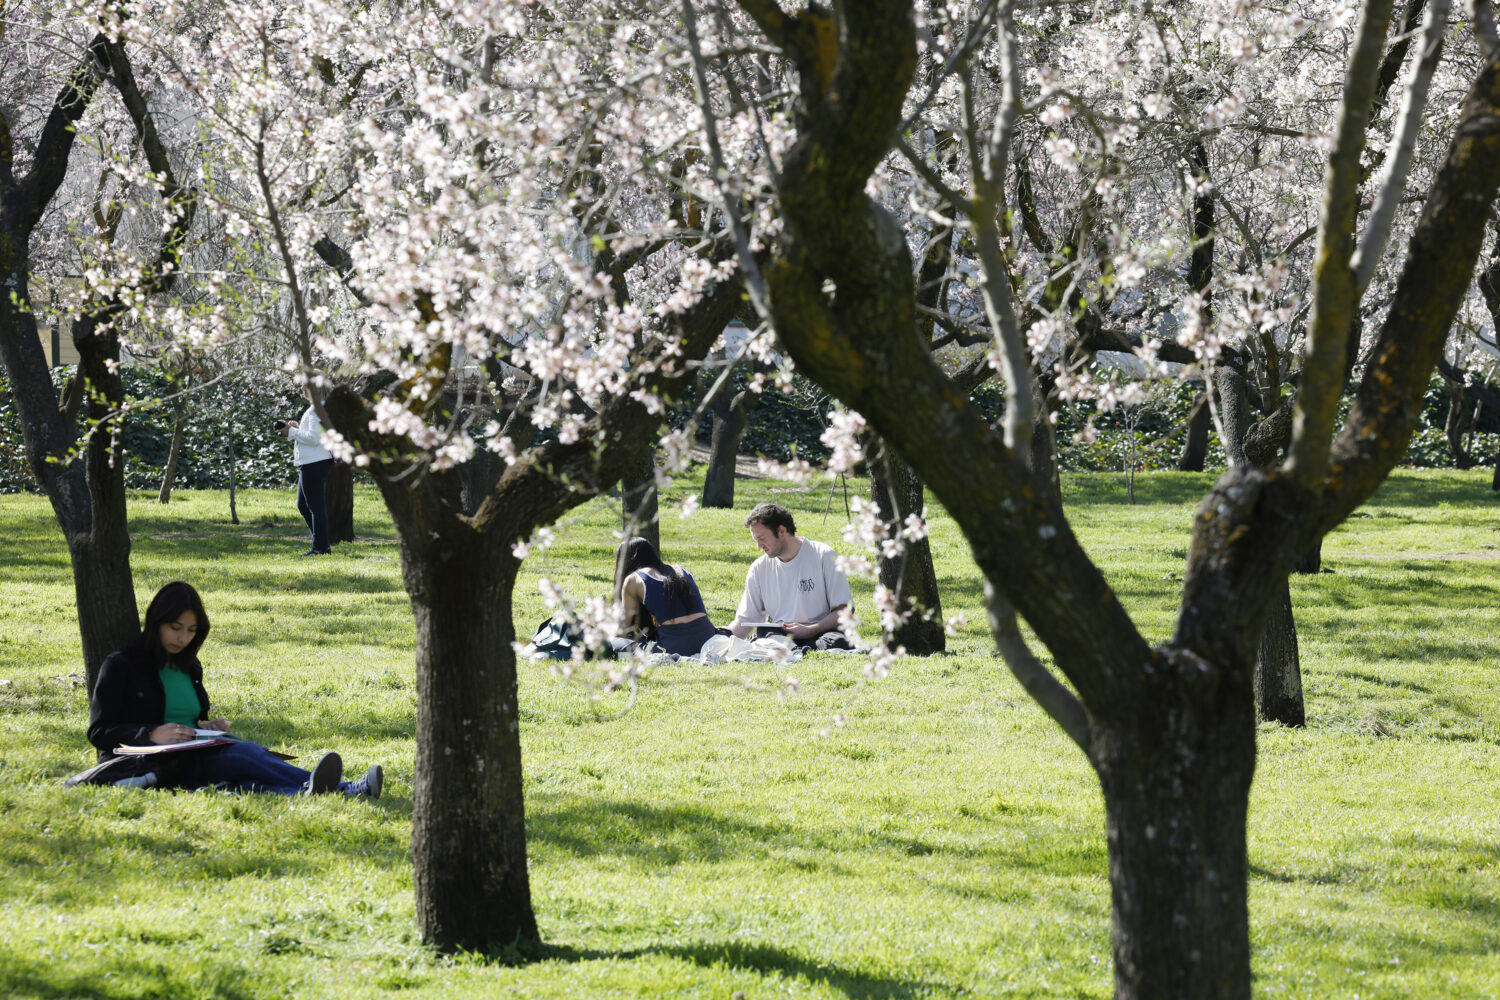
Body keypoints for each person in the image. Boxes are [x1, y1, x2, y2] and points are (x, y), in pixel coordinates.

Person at [87, 581, 382, 797]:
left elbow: (193, 719)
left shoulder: (190, 667)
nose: (182, 638)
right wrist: (150, 734)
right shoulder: (121, 665)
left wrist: (207, 726)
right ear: (156, 623)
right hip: (150, 762)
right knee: (246, 755)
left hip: (193, 755)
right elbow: (99, 732)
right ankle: (345, 788)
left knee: (245, 779)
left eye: (191, 631)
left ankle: (319, 792)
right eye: (175, 628)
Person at [730, 502, 855, 651]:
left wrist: (812, 629)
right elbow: (747, 619)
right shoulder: (758, 568)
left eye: (762, 538)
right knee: (765, 633)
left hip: (822, 632)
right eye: (756, 540)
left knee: (840, 641)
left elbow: (844, 611)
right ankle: (795, 650)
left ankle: (795, 651)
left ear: (781, 530)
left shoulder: (824, 556)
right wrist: (723, 640)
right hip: (781, 635)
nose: (759, 546)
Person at [617, 538, 719, 656]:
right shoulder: (681, 570)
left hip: (673, 646)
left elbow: (623, 628)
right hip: (708, 639)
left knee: (614, 644)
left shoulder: (633, 580)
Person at [280, 386, 334, 556]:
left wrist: (292, 431)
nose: (302, 388)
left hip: (315, 462)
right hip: (313, 461)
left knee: (315, 507)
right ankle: (321, 544)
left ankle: (320, 548)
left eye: (306, 385)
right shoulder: (316, 408)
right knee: (303, 505)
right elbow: (312, 435)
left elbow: (313, 439)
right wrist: (297, 429)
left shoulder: (317, 410)